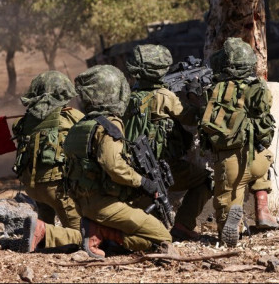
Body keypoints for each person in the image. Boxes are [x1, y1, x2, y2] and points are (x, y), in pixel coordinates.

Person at [63, 65, 172, 258]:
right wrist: (143, 182)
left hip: (83, 203)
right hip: (104, 205)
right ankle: (103, 234)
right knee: (162, 238)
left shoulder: (80, 125)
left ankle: (100, 232)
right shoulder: (109, 124)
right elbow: (113, 165)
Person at [123, 44, 212, 241]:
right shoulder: (164, 96)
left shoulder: (127, 97)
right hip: (163, 167)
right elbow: (191, 118)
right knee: (206, 180)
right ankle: (183, 225)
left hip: (134, 168)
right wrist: (194, 95)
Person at [200, 37, 279, 247]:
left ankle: (233, 223)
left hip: (228, 165)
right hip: (258, 159)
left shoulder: (213, 91)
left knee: (225, 207)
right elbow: (264, 123)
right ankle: (262, 210)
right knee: (263, 154)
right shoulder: (258, 88)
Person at [14, 71, 84, 253]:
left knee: (46, 213)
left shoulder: (26, 120)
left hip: (32, 186)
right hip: (57, 188)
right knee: (81, 235)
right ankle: (47, 234)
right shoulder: (71, 117)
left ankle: (41, 239)